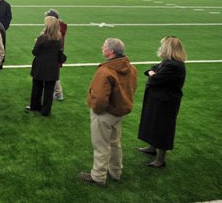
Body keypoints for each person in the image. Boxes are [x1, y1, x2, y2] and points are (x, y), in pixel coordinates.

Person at [79, 38, 137, 187]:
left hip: (105, 113)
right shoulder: (131, 68)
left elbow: (99, 97)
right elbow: (132, 89)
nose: (101, 47)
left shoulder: (105, 71)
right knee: (115, 143)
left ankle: (98, 176)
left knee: (101, 145)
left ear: (111, 51)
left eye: (104, 46)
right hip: (119, 112)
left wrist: (97, 110)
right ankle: (116, 171)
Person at [137, 36, 187, 168]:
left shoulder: (174, 65)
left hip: (166, 102)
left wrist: (153, 74)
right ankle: (152, 148)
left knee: (162, 128)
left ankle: (161, 159)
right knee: (153, 123)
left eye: (162, 46)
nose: (160, 48)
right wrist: (153, 73)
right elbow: (150, 70)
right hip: (159, 100)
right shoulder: (168, 62)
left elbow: (154, 79)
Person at [27, 16, 65, 117]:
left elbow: (35, 52)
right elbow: (60, 55)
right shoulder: (59, 39)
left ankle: (35, 106)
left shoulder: (42, 38)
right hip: (52, 69)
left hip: (40, 67)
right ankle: (45, 111)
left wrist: (36, 43)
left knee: (37, 87)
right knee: (49, 91)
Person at [45, 9, 68, 101]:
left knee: (54, 74)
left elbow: (53, 40)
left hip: (54, 54)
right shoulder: (61, 26)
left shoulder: (56, 28)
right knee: (54, 73)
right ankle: (57, 92)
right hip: (56, 53)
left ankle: (59, 93)